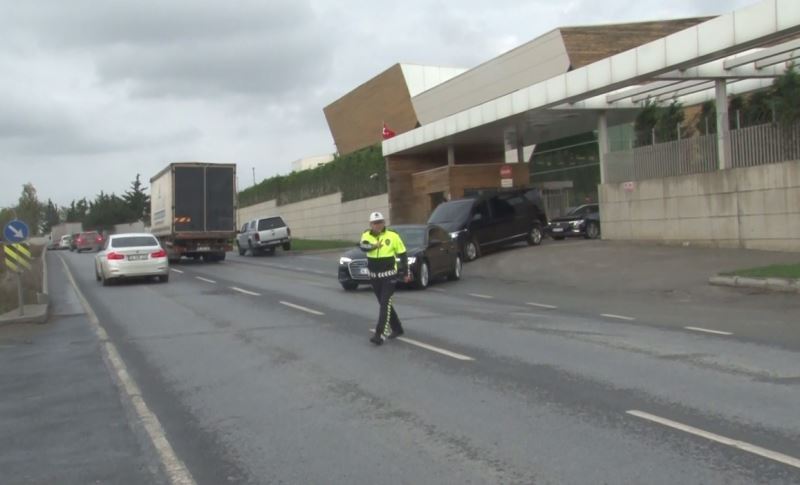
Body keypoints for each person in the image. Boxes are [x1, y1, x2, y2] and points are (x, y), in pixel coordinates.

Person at [359, 212, 410, 345]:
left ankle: (379, 334)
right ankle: (397, 328)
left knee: (385, 303)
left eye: (380, 222)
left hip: (389, 276)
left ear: (384, 223)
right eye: (375, 223)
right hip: (374, 277)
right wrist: (374, 246)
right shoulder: (366, 235)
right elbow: (363, 247)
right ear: (371, 225)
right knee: (384, 304)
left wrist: (405, 271)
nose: (378, 225)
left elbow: (402, 253)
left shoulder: (392, 235)